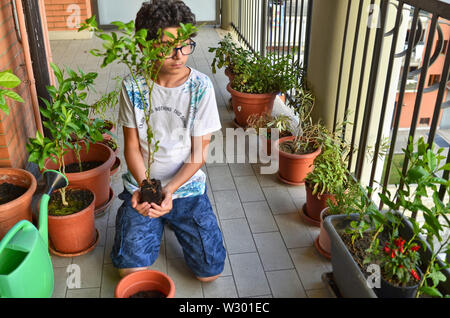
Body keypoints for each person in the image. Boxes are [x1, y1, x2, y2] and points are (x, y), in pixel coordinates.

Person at [111, 0, 226, 283]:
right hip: (143, 189)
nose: (179, 55)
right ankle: (146, 218)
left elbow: (199, 153)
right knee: (130, 272)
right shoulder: (133, 86)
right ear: (144, 47)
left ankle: (167, 219)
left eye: (185, 44)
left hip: (186, 189)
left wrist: (169, 192)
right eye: (166, 47)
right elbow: (132, 147)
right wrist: (148, 191)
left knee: (209, 274)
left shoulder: (200, 88)